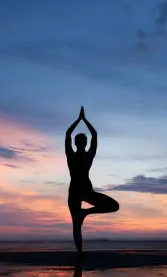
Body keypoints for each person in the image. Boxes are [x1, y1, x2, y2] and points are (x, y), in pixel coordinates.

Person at [66, 106, 119, 254]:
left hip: (85, 190)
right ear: (78, 143)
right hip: (75, 192)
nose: (82, 142)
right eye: (81, 140)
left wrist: (82, 119)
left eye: (83, 140)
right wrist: (81, 119)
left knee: (114, 206)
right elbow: (69, 134)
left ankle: (85, 213)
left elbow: (93, 135)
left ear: (84, 143)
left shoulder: (87, 156)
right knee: (76, 225)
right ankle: (79, 254)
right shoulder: (72, 155)